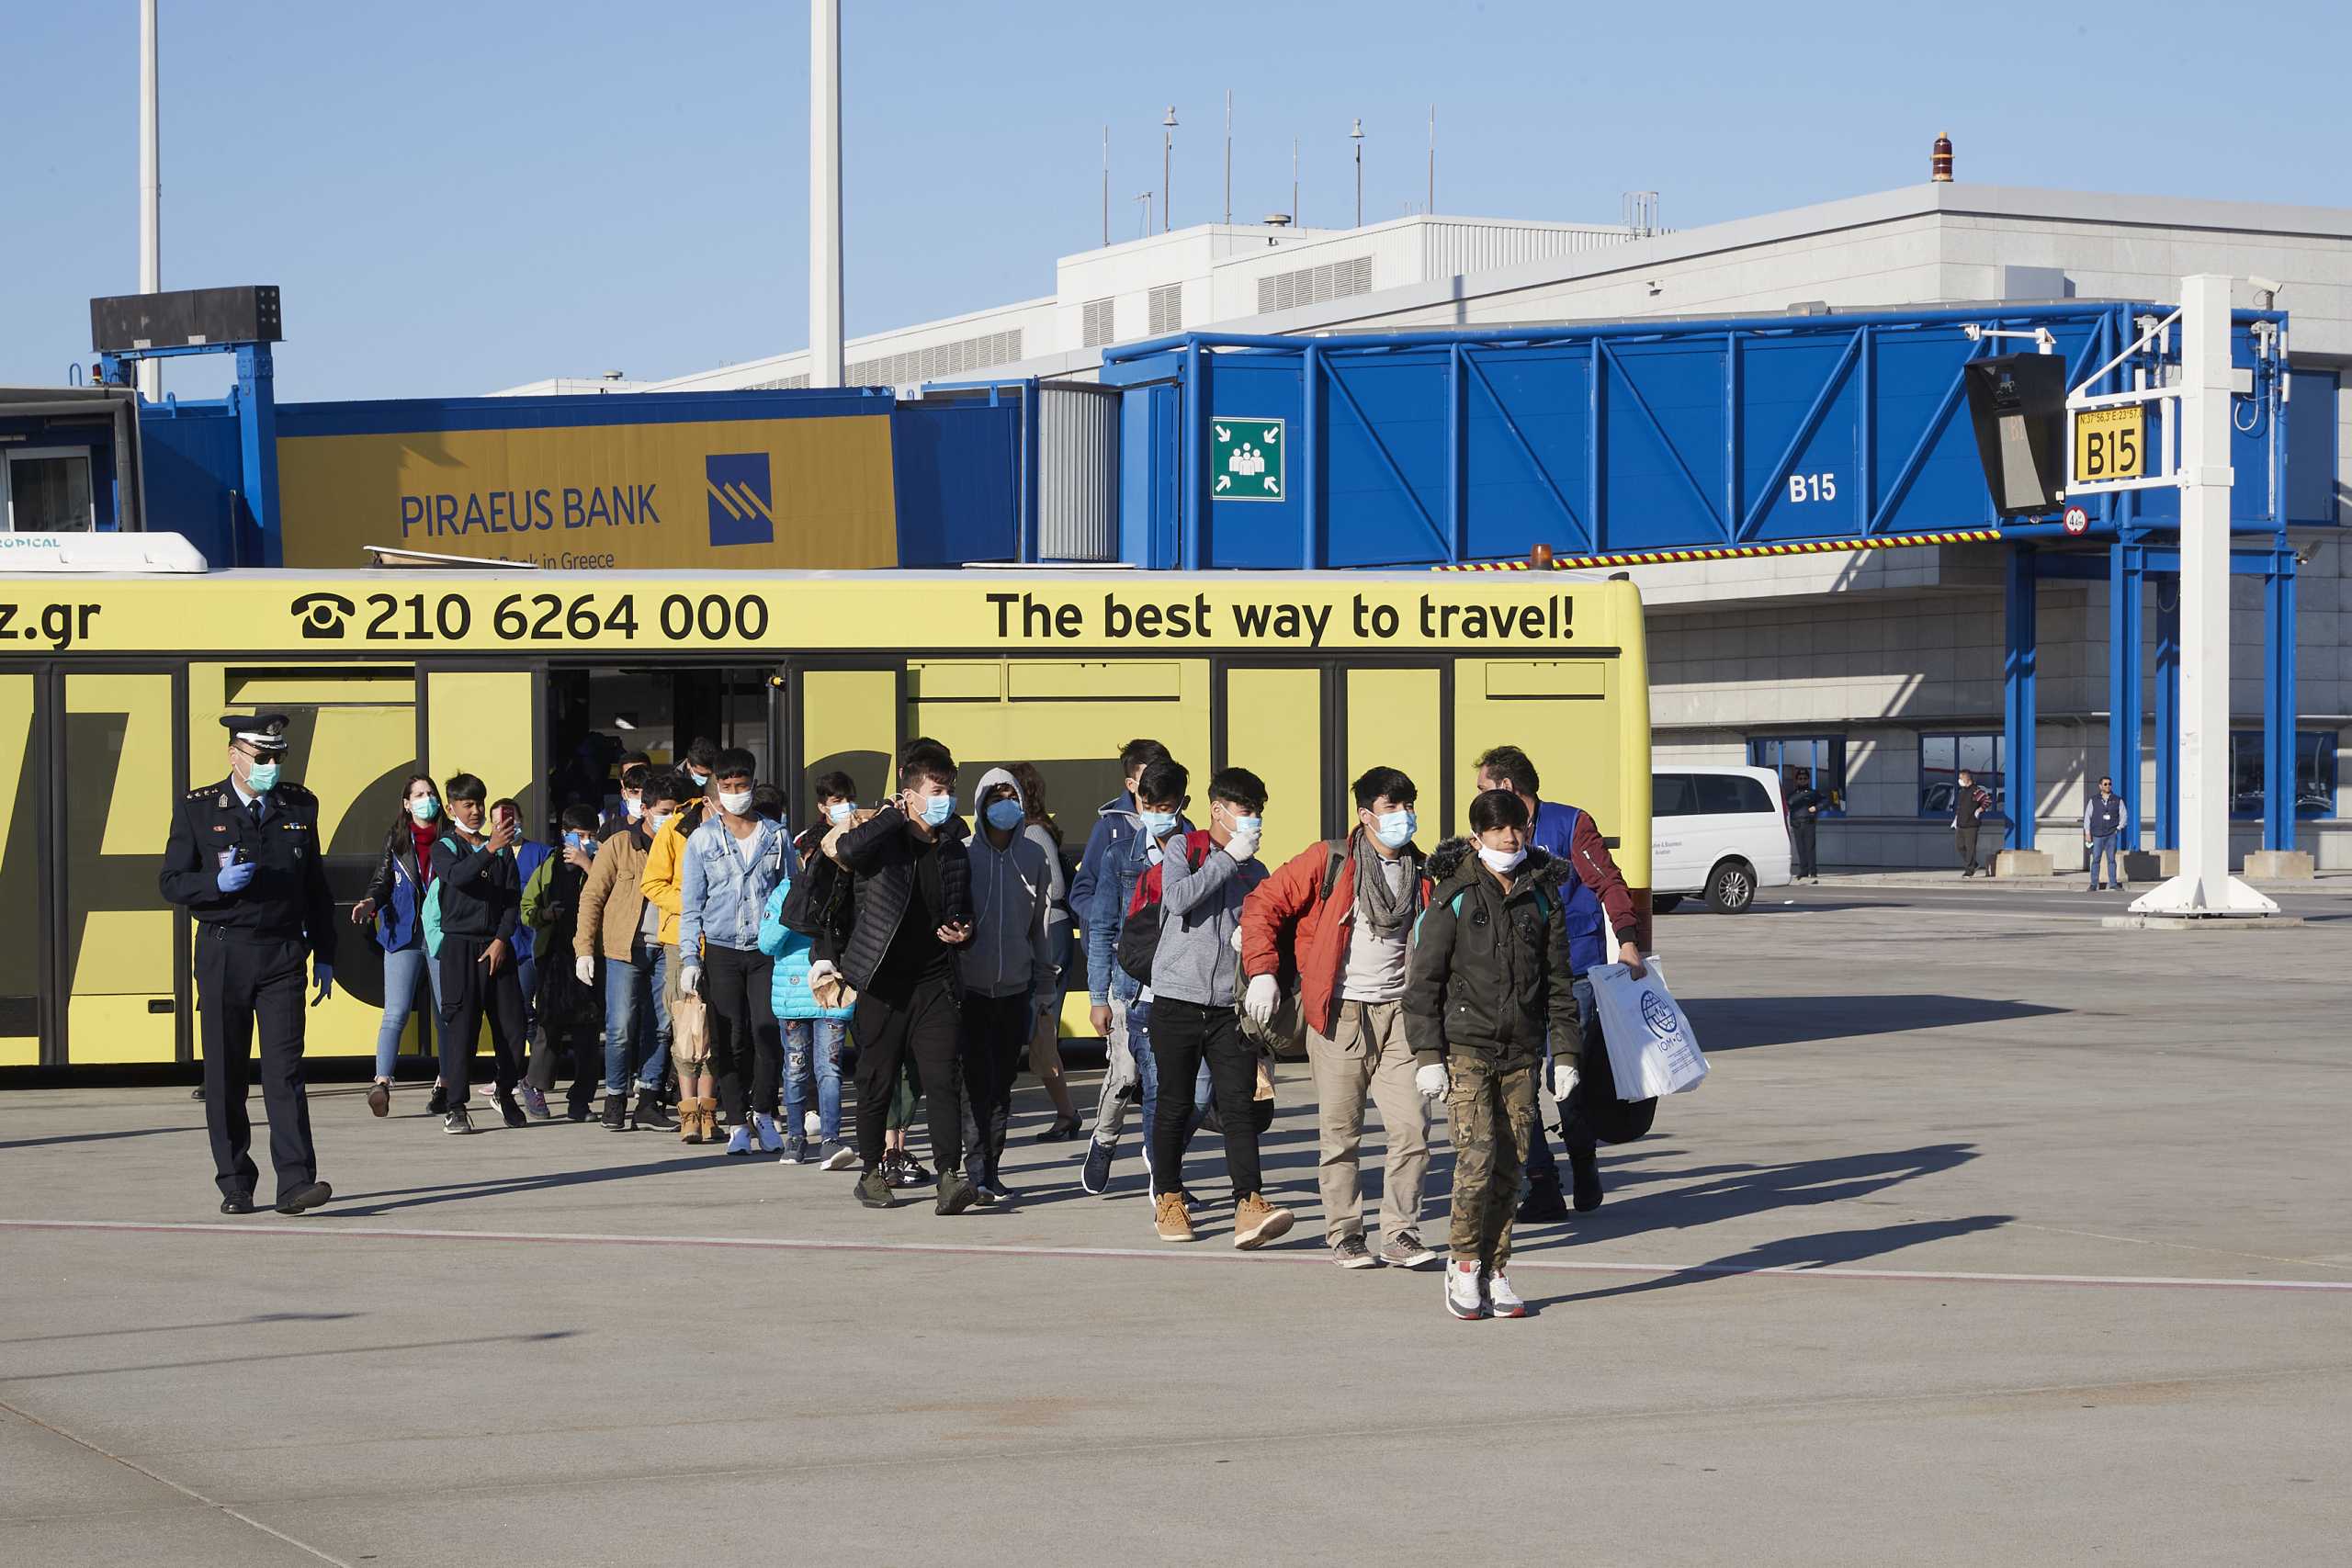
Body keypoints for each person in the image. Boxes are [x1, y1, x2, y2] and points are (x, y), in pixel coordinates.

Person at [1239, 765, 1436, 1270]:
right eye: (1393, 808)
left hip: (1402, 1016)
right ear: (1366, 814)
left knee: (1412, 1130)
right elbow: (1262, 905)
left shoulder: (1426, 871)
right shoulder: (1330, 860)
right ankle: (1346, 1233)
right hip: (1339, 1013)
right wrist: (1262, 971)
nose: (1405, 817)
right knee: (1341, 1134)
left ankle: (1400, 1232)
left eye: (1409, 806)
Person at [1407, 789, 1582, 1320]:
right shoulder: (1454, 894)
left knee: (1513, 1164)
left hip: (1521, 1052)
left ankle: (1495, 1267)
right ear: (1477, 834)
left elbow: (1557, 982)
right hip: (1466, 1049)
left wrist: (1566, 1052)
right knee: (1477, 1158)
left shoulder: (1542, 895)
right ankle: (1463, 1264)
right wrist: (1427, 1055)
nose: (1512, 838)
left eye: (1519, 828)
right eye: (1500, 829)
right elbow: (1424, 983)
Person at [158, 714, 335, 1216]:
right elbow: (170, 881)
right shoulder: (198, 809)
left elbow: (316, 886)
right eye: (262, 758)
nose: (271, 767)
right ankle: (236, 1181)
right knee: (225, 1075)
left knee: (286, 1073)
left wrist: (326, 951)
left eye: (278, 757)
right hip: (224, 951)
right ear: (234, 755)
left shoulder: (300, 804)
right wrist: (216, 885)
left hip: (281, 953)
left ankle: (296, 1183)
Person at [1472, 745, 1645, 1221]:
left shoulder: (1570, 824)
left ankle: (1584, 1163)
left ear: (1507, 786)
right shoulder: (1488, 836)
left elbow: (1609, 882)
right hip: (1513, 979)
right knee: (1517, 1081)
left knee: (1565, 1079)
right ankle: (1543, 1183)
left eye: (1484, 788)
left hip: (1574, 974)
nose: (1481, 798)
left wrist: (1627, 942)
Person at [1140, 763, 1293, 1250]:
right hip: (1177, 998)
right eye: (1246, 812)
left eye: (1259, 813)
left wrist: (1255, 938)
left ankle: (1249, 1201)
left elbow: (1269, 921)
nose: (1254, 821)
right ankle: (1168, 1196)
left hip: (1230, 1005)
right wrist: (1227, 858)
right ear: (1218, 810)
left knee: (1238, 1106)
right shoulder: (1187, 848)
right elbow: (1181, 899)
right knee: (1174, 1103)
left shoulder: (1258, 870)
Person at [834, 738, 979, 1214]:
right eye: (936, 790)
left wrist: (964, 932)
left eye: (949, 789)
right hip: (882, 981)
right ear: (911, 792)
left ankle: (949, 1176)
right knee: (875, 1080)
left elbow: (966, 910)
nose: (945, 799)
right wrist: (893, 816)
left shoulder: (954, 847)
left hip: (935, 981)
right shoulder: (884, 840)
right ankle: (872, 1171)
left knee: (942, 1079)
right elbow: (849, 851)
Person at [679, 748, 795, 1156]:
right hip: (722, 950)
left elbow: (791, 895)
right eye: (726, 787)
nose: (734, 793)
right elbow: (691, 904)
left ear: (752, 784)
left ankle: (764, 1112)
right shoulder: (702, 838)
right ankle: (735, 1121)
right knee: (729, 1038)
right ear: (717, 789)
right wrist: (690, 958)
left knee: (767, 1033)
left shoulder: (776, 835)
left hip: (766, 950)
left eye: (741, 785)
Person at [958, 767, 1060, 1201]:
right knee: (973, 1085)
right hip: (969, 989)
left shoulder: (1034, 857)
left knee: (1002, 1085)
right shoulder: (962, 854)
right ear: (980, 804)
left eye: (1011, 796)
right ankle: (973, 1169)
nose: (1005, 805)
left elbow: (1041, 927)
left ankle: (992, 1171)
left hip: (1016, 988)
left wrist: (1044, 986)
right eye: (995, 797)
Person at [1073, 739, 1169, 1191]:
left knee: (1163, 1081)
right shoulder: (1110, 833)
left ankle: (1161, 1168)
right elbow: (1084, 896)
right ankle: (1106, 1139)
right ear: (1133, 783)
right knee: (1125, 1074)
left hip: (1171, 983)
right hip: (1124, 979)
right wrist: (1119, 931)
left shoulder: (1188, 837)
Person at [574, 768, 680, 1132]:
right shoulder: (619, 844)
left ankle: (649, 1099)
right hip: (624, 949)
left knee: (661, 1028)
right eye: (664, 810)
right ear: (646, 809)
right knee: (620, 1028)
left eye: (675, 810)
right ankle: (615, 1097)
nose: (670, 817)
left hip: (668, 948)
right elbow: (592, 897)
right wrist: (584, 949)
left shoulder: (685, 844)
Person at [430, 776, 529, 1134]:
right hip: (460, 948)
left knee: (513, 1028)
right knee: (461, 1029)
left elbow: (511, 898)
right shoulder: (446, 846)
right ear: (452, 807)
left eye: (478, 804)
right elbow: (456, 877)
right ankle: (456, 1106)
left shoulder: (502, 849)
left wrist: (503, 939)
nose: (474, 812)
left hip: (497, 947)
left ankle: (505, 1092)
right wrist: (488, 848)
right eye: (467, 805)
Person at [349, 773, 445, 1118]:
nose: (425, 799)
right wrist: (369, 903)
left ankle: (445, 1084)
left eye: (430, 793)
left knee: (444, 1014)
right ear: (407, 804)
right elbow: (382, 881)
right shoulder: (397, 838)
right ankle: (382, 1082)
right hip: (402, 931)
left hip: (440, 934)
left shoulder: (449, 838)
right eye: (418, 794)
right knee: (396, 1012)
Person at [1008, 761, 1082, 1140]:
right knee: (1036, 1029)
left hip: (1046, 935)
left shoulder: (1033, 833)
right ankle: (1065, 1112)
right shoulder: (1025, 831)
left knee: (1041, 1027)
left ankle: (1066, 1113)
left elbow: (1054, 888)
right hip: (1041, 935)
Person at [521, 805, 604, 1121]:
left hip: (589, 955)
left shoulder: (599, 862)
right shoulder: (549, 866)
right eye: (580, 836)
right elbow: (528, 906)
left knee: (587, 1030)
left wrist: (588, 864)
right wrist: (544, 915)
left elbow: (611, 892)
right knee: (550, 1025)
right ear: (565, 834)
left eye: (591, 835)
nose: (586, 841)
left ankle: (580, 1100)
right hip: (555, 954)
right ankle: (534, 1084)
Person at [2085, 774, 2125, 891]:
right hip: (2097, 834)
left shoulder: (2117, 800)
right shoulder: (2093, 800)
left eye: (2110, 784)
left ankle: (2113, 883)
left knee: (2111, 859)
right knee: (2096, 859)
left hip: (2111, 834)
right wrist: (2087, 833)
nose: (2108, 786)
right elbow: (2087, 816)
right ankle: (2093, 884)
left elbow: (2124, 816)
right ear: (2100, 786)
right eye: (2105, 784)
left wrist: (2118, 828)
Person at [1784, 769, 1824, 883]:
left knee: (1810, 848)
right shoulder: (1792, 795)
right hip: (1797, 824)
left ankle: (1813, 871)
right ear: (1796, 780)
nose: (1802, 780)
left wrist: (1816, 808)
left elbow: (1825, 802)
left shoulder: (1813, 793)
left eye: (1805, 778)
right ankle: (1804, 870)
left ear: (1808, 779)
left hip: (1808, 823)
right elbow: (1787, 807)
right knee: (1800, 849)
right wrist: (1791, 822)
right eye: (1800, 779)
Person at [1953, 768, 1993, 877]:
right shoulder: (1962, 792)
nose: (1959, 780)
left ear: (1967, 778)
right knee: (1959, 846)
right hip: (1960, 824)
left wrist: (1980, 810)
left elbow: (1987, 800)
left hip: (1971, 824)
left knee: (1970, 848)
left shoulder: (1976, 791)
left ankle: (1969, 870)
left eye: (1961, 778)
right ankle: (1973, 864)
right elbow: (1960, 808)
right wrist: (1956, 820)